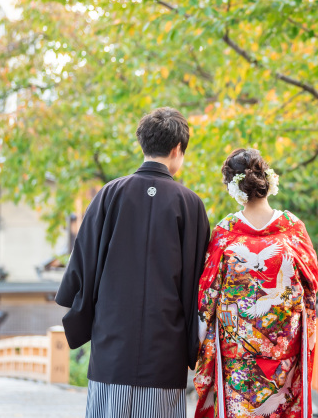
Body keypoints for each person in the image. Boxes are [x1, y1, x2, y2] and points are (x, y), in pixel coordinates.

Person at [56, 107, 211, 418]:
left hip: (112, 342)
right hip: (165, 347)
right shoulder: (190, 204)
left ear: (143, 144)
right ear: (177, 149)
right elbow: (200, 282)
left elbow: (82, 264)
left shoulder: (109, 194)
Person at [194, 148, 318, 418]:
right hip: (283, 350)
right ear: (267, 180)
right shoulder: (293, 228)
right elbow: (311, 284)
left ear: (232, 187)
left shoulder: (225, 233)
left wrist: (198, 340)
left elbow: (208, 293)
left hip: (238, 355)